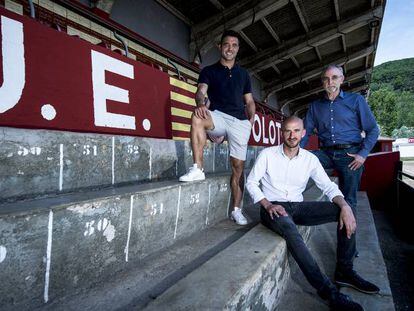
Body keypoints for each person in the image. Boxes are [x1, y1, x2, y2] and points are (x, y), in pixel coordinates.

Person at [246, 116, 379, 311]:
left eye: (296, 131)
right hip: (273, 208)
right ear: (281, 132)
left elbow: (327, 186)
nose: (292, 135)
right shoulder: (267, 154)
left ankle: (345, 270)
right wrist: (267, 204)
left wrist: (345, 207)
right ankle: (330, 294)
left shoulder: (310, 159)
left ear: (303, 133)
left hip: (298, 207)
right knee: (292, 232)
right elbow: (251, 182)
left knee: (344, 212)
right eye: (288, 131)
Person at [179, 30, 256, 226]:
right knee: (197, 116)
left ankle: (236, 210)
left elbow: (249, 101)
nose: (230, 48)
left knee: (238, 167)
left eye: (234, 45)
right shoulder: (209, 71)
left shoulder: (243, 74)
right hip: (219, 116)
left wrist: (251, 120)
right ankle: (198, 168)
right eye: (227, 44)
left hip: (239, 121)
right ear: (219, 47)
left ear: (238, 49)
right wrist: (201, 104)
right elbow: (200, 92)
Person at [300, 64, 379, 213]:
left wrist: (362, 155)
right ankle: (287, 202)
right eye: (326, 79)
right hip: (325, 154)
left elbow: (373, 129)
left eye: (334, 78)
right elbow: (305, 133)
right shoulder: (315, 106)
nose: (330, 82)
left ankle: (347, 234)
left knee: (349, 202)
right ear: (322, 82)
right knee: (299, 160)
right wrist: (295, 153)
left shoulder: (356, 100)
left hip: (350, 155)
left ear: (342, 79)